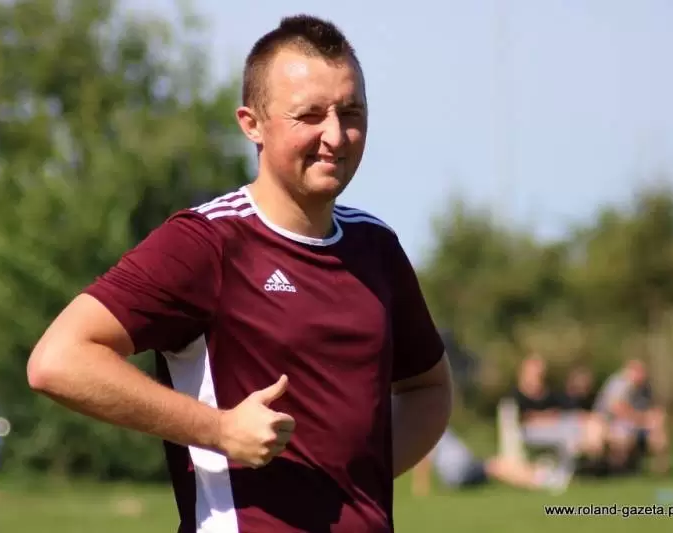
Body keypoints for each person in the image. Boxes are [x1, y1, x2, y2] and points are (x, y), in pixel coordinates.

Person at [27, 14, 452, 533]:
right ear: (252, 124)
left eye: (351, 112)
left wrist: (351, 482)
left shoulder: (376, 247)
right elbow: (58, 360)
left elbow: (428, 387)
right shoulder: (207, 242)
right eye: (309, 115)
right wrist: (219, 429)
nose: (336, 135)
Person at [410, 429, 571, 496]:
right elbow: (423, 456)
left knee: (502, 464)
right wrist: (420, 486)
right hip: (458, 473)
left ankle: (541, 475)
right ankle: (539, 481)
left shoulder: (439, 425)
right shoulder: (427, 429)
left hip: (466, 466)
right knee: (498, 466)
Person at [594, 359, 669, 474]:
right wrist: (641, 419)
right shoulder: (619, 384)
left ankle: (661, 469)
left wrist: (655, 417)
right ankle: (618, 468)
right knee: (622, 434)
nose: (642, 376)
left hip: (635, 422)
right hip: (610, 422)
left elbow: (653, 407)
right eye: (638, 372)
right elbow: (617, 409)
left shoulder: (645, 387)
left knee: (658, 429)